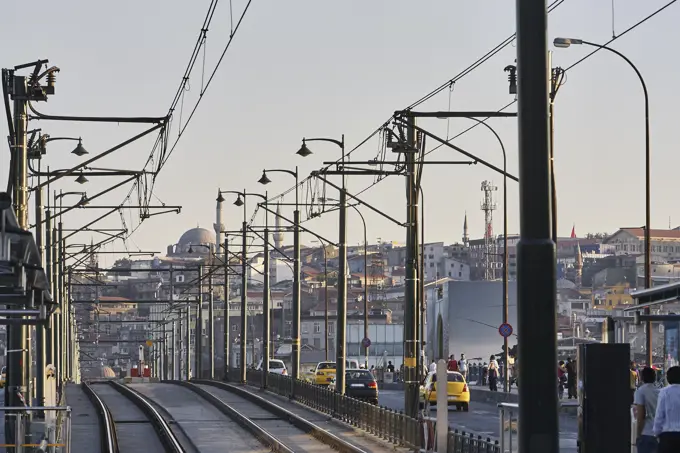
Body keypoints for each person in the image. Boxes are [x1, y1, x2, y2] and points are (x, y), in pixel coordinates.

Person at [654, 365, 680, 453]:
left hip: (667, 436)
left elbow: (659, 415)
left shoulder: (664, 392)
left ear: (668, 378)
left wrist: (656, 432)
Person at [634, 367, 659, 453]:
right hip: (659, 433)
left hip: (646, 433)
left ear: (642, 377)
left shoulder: (641, 391)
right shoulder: (659, 391)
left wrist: (638, 435)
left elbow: (641, 415)